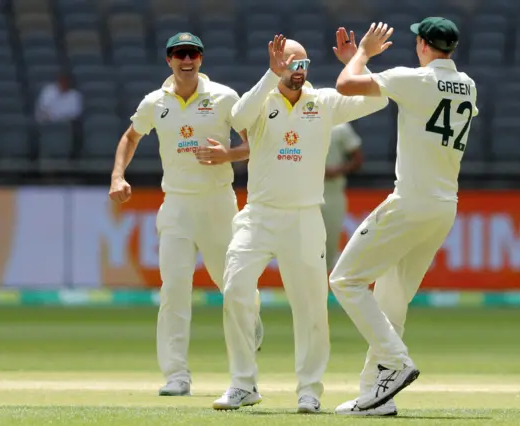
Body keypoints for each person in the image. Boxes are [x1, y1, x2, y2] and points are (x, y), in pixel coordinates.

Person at [212, 30, 388, 413]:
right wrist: (268, 76)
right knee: (236, 288)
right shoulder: (261, 101)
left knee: (310, 306)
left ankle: (309, 390)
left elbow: (380, 99)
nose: (298, 70)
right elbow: (237, 117)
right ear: (277, 63)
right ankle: (243, 384)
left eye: (304, 63)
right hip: (258, 215)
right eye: (292, 63)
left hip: (305, 217)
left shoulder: (323, 102)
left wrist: (353, 63)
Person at [330, 18, 479, 415]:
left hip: (411, 201)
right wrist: (359, 64)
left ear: (421, 44)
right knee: (391, 299)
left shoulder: (415, 79)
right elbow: (369, 85)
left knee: (345, 279)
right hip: (445, 205)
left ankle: (396, 361)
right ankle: (377, 396)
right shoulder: (467, 84)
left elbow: (346, 86)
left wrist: (361, 54)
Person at [108, 32, 264, 397]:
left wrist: (227, 155)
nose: (186, 60)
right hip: (176, 205)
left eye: (192, 53)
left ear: (201, 59)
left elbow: (254, 142)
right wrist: (118, 175)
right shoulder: (155, 102)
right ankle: (176, 376)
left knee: (235, 289)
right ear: (169, 60)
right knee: (174, 291)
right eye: (180, 54)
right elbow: (131, 137)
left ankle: (248, 356)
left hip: (218, 204)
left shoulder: (224, 97)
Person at [322, 122, 364, 270]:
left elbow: (357, 159)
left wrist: (336, 170)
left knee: (328, 249)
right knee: (301, 249)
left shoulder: (340, 127)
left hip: (332, 197)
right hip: (302, 196)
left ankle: (321, 291)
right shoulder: (298, 122)